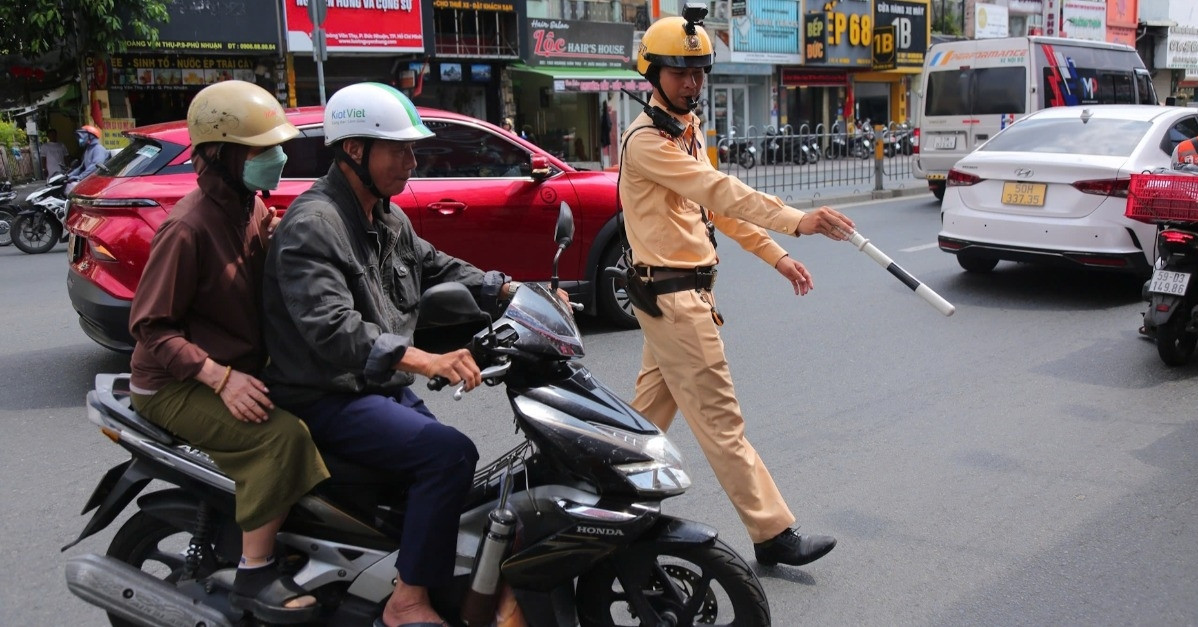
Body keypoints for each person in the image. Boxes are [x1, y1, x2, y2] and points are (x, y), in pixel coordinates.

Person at [259, 82, 528, 627]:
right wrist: (425, 360)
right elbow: (333, 331)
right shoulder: (315, 226)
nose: (412, 160)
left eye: (412, 149)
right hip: (324, 393)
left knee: (457, 480)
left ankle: (403, 568)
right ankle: (407, 604)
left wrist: (511, 292)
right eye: (398, 149)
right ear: (354, 151)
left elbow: (437, 266)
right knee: (448, 454)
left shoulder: (384, 216)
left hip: (370, 385)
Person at [619, 11, 854, 568]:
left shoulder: (686, 130)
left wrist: (777, 255)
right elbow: (719, 190)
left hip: (677, 297)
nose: (692, 83)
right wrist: (797, 219)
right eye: (680, 72)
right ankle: (772, 532)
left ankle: (601, 503)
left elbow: (714, 211)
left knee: (642, 423)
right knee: (723, 425)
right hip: (676, 303)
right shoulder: (647, 142)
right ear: (652, 74)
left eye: (699, 71)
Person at [127, 80, 330, 624]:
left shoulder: (250, 207)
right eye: (264, 150)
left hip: (235, 361)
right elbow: (150, 327)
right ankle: (256, 572)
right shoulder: (188, 228)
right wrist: (220, 378)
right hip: (173, 384)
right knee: (281, 438)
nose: (279, 158)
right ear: (222, 155)